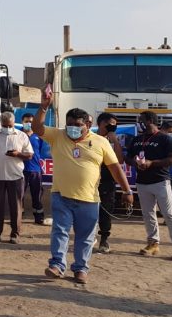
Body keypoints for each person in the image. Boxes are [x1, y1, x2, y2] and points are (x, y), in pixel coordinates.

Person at [33, 92, 133, 285]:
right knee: (60, 231)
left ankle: (80, 269)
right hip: (61, 195)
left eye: (78, 125)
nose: (73, 128)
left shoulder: (101, 142)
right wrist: (44, 107)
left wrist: (127, 191)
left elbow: (115, 168)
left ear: (88, 125)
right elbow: (37, 127)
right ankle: (57, 265)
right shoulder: (58, 136)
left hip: (89, 199)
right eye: (70, 124)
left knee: (86, 236)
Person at [127, 112, 172, 261]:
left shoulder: (165, 138)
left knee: (169, 214)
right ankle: (153, 243)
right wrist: (135, 162)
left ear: (150, 121)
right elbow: (127, 158)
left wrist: (151, 163)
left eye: (141, 120)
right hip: (142, 182)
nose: (139, 123)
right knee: (148, 214)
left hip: (160, 181)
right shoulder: (137, 140)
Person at [0, 112, 34, 244]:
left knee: (16, 207)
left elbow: (29, 155)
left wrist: (17, 154)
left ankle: (15, 235)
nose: (7, 128)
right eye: (5, 125)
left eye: (9, 125)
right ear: (1, 124)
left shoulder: (22, 136)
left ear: (13, 123)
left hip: (15, 176)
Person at [95, 113, 125, 254]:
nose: (112, 127)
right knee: (87, 212)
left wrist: (115, 142)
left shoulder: (114, 141)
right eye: (109, 124)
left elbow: (119, 161)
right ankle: (88, 238)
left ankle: (104, 240)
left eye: (115, 125)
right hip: (91, 181)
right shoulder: (91, 138)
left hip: (107, 182)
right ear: (101, 124)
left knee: (105, 211)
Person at [20, 113, 47, 225]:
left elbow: (39, 151)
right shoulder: (18, 134)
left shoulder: (38, 135)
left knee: (37, 195)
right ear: (22, 122)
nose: (29, 123)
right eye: (26, 121)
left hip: (35, 170)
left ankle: (38, 217)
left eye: (31, 121)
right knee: (19, 195)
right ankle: (18, 216)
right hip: (20, 169)